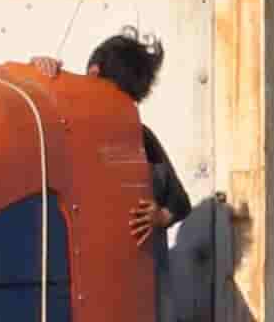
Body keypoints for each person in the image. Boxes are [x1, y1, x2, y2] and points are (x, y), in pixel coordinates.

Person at [84, 31, 198, 248]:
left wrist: (161, 217)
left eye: (130, 103)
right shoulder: (61, 124)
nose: (123, 111)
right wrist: (42, 70)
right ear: (93, 75)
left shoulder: (141, 136)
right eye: (118, 100)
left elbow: (180, 201)